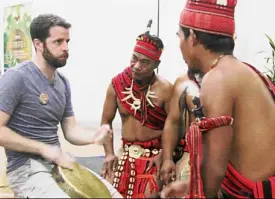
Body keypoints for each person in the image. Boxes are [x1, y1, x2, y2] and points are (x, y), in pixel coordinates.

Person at [161, 0, 275, 198]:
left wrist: (198, 192)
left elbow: (215, 169)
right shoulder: (246, 71)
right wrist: (189, 186)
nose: (179, 44)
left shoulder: (218, 78)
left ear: (193, 38)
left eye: (179, 36)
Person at [0, 14, 114, 198]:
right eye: (58, 42)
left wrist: (94, 136)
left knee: (112, 195)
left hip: (59, 165)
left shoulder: (63, 83)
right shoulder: (16, 78)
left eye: (67, 41)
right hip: (25, 168)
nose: (66, 48)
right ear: (38, 44)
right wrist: (44, 149)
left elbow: (71, 130)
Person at [98, 27, 173, 198]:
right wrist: (109, 154)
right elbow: (105, 122)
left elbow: (177, 128)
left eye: (145, 62)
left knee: (150, 195)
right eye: (134, 58)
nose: (136, 66)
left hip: (153, 158)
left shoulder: (166, 90)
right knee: (105, 192)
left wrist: (165, 155)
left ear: (156, 65)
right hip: (125, 155)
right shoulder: (117, 84)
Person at [161, 70, 202, 186]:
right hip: (192, 154)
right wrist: (167, 159)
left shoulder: (230, 78)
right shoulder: (184, 82)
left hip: (226, 155)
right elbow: (173, 121)